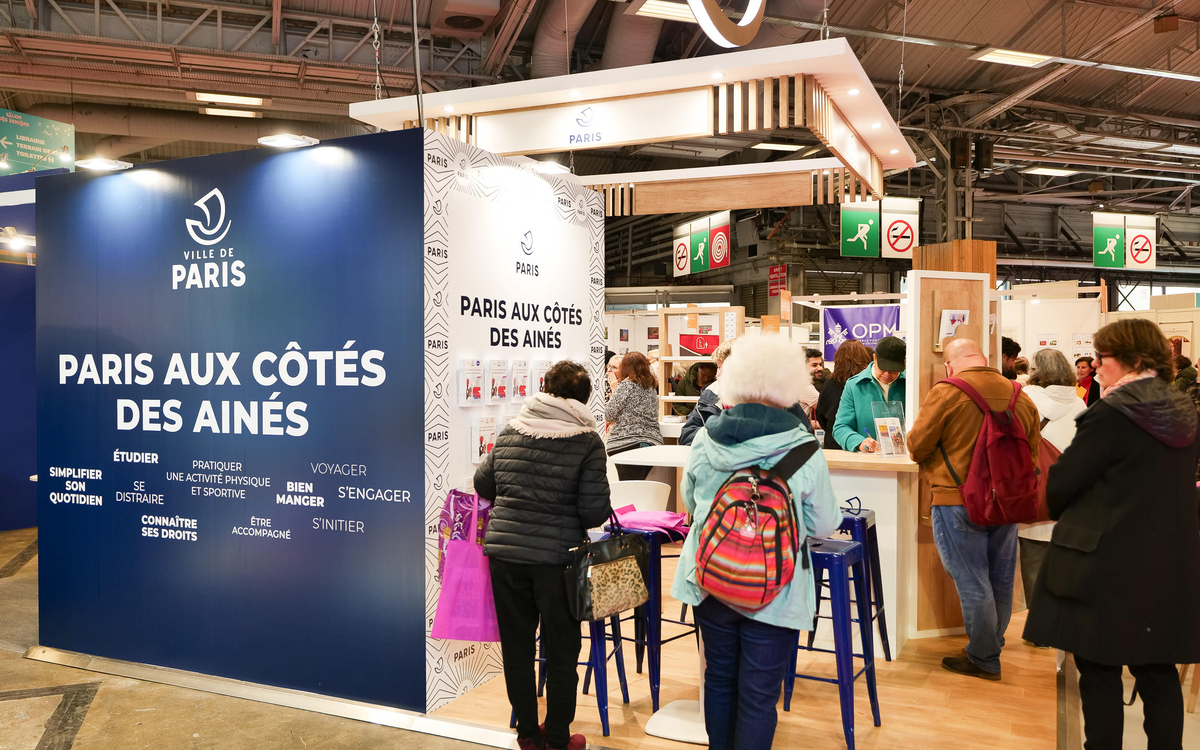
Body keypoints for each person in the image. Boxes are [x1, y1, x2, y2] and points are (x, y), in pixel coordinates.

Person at [1025, 319, 1200, 748]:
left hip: (1104, 561)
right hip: (1165, 560)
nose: (1096, 367)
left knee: (1099, 670)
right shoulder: (1181, 410)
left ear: (1133, 360)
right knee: (1157, 670)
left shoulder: (1113, 413)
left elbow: (1063, 484)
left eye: (1103, 359)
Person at [671, 334, 841, 750]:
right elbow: (822, 524)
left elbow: (692, 502)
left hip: (713, 579)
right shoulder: (803, 447)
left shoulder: (707, 438)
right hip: (776, 589)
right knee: (759, 698)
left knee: (720, 680)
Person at [475, 361, 612, 750]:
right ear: (585, 398)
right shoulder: (586, 441)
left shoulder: (511, 430)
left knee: (517, 648)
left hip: (505, 555)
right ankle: (557, 738)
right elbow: (593, 511)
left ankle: (527, 736)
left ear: (544, 389)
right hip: (558, 561)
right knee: (563, 649)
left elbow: (483, 483)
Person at [907, 338, 1039, 680]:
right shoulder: (1019, 395)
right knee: (1000, 577)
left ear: (951, 365)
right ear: (985, 360)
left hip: (957, 499)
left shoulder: (947, 392)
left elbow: (918, 445)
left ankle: (983, 656)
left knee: (971, 578)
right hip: (1007, 502)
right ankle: (991, 644)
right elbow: (1033, 454)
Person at [1017, 349, 1086, 604]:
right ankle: (1062, 622)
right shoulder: (1079, 401)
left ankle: (1038, 628)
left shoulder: (1025, 398)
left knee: (1034, 559)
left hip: (1036, 487)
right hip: (1072, 493)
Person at [832, 335, 906, 453]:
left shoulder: (911, 384)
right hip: (870, 462)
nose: (887, 374)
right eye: (882, 369)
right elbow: (840, 427)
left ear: (904, 363)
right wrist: (859, 442)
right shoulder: (854, 385)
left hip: (906, 459)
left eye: (893, 370)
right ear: (874, 359)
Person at [604, 351, 663, 481]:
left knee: (629, 488)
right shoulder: (651, 388)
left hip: (627, 444)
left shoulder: (626, 385)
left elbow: (609, 414)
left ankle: (630, 503)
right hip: (652, 443)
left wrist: (614, 390)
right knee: (638, 484)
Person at [816, 340, 872, 450]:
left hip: (833, 444)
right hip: (861, 444)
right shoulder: (866, 385)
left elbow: (821, 415)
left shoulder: (829, 384)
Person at [680, 340, 734, 446]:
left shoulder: (761, 398)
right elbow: (687, 436)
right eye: (718, 367)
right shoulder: (710, 394)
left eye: (722, 368)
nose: (717, 375)